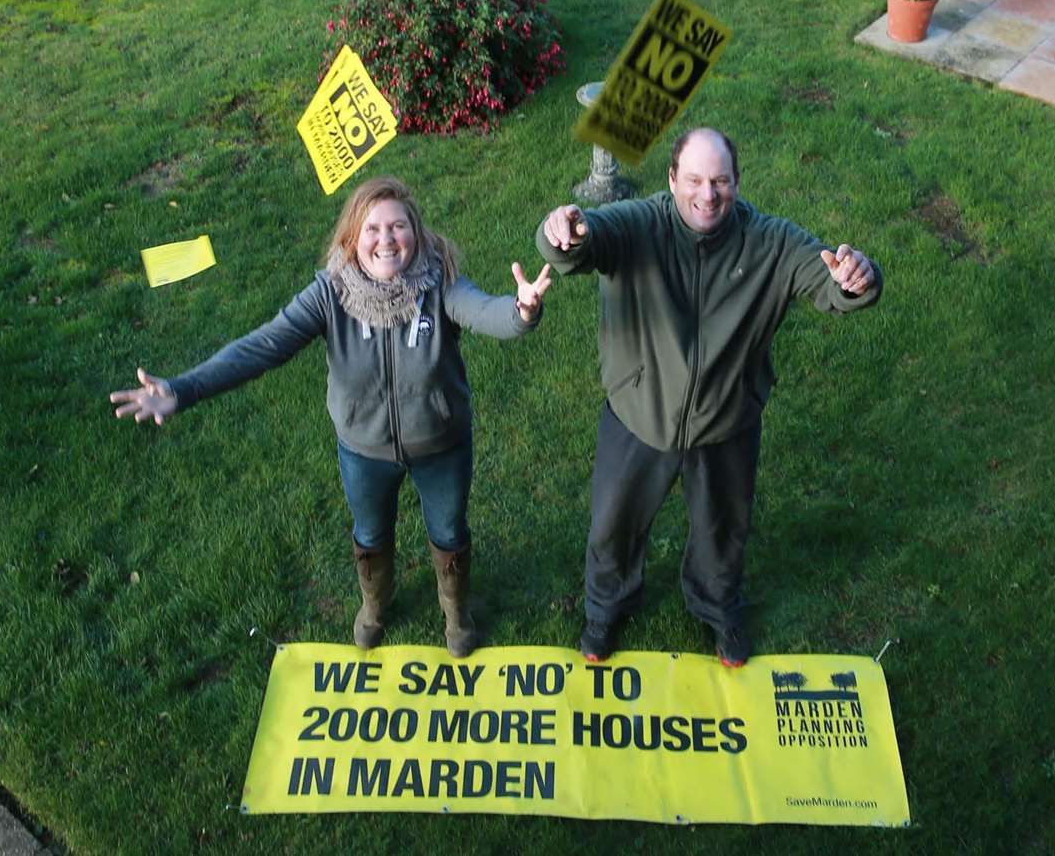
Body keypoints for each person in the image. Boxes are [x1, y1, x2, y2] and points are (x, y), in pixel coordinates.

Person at [111, 175, 550, 658]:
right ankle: (375, 607)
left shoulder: (437, 281)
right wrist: (181, 389)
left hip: (442, 446)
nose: (386, 240)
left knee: (449, 534)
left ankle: (456, 615)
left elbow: (488, 312)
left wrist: (521, 310)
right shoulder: (330, 293)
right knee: (370, 535)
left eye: (398, 227)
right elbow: (263, 346)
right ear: (352, 238)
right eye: (373, 229)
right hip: (363, 451)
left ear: (416, 234)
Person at [536, 127, 881, 668]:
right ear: (672, 180)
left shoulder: (770, 241)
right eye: (694, 179)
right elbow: (585, 240)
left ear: (737, 183)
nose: (708, 193)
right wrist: (565, 233)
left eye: (720, 180)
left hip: (726, 423)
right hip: (638, 415)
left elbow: (830, 278)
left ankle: (718, 607)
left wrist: (856, 279)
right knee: (613, 525)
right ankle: (606, 608)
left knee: (723, 533)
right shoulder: (641, 223)